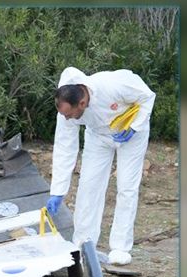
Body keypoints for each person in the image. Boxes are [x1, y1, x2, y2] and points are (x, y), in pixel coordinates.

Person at [46, 67, 155, 265]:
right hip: (98, 136)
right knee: (88, 186)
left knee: (126, 187)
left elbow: (147, 96)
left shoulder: (112, 84)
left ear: (82, 102)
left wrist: (135, 126)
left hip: (131, 133)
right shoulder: (66, 111)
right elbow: (64, 147)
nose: (67, 119)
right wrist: (58, 190)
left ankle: (121, 247)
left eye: (70, 115)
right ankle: (83, 244)